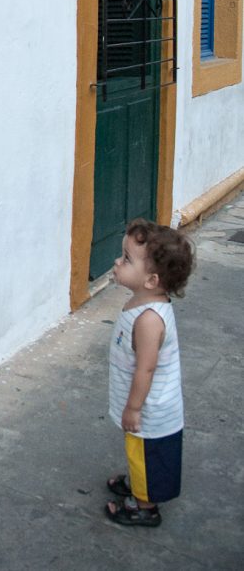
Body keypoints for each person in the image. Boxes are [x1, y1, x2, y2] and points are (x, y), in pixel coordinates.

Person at [105, 218, 195, 527]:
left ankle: (144, 506)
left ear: (152, 281)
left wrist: (133, 407)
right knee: (139, 454)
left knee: (148, 454)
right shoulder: (140, 302)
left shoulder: (149, 320)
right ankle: (139, 483)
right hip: (145, 406)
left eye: (127, 259)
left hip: (150, 411)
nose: (118, 262)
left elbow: (146, 367)